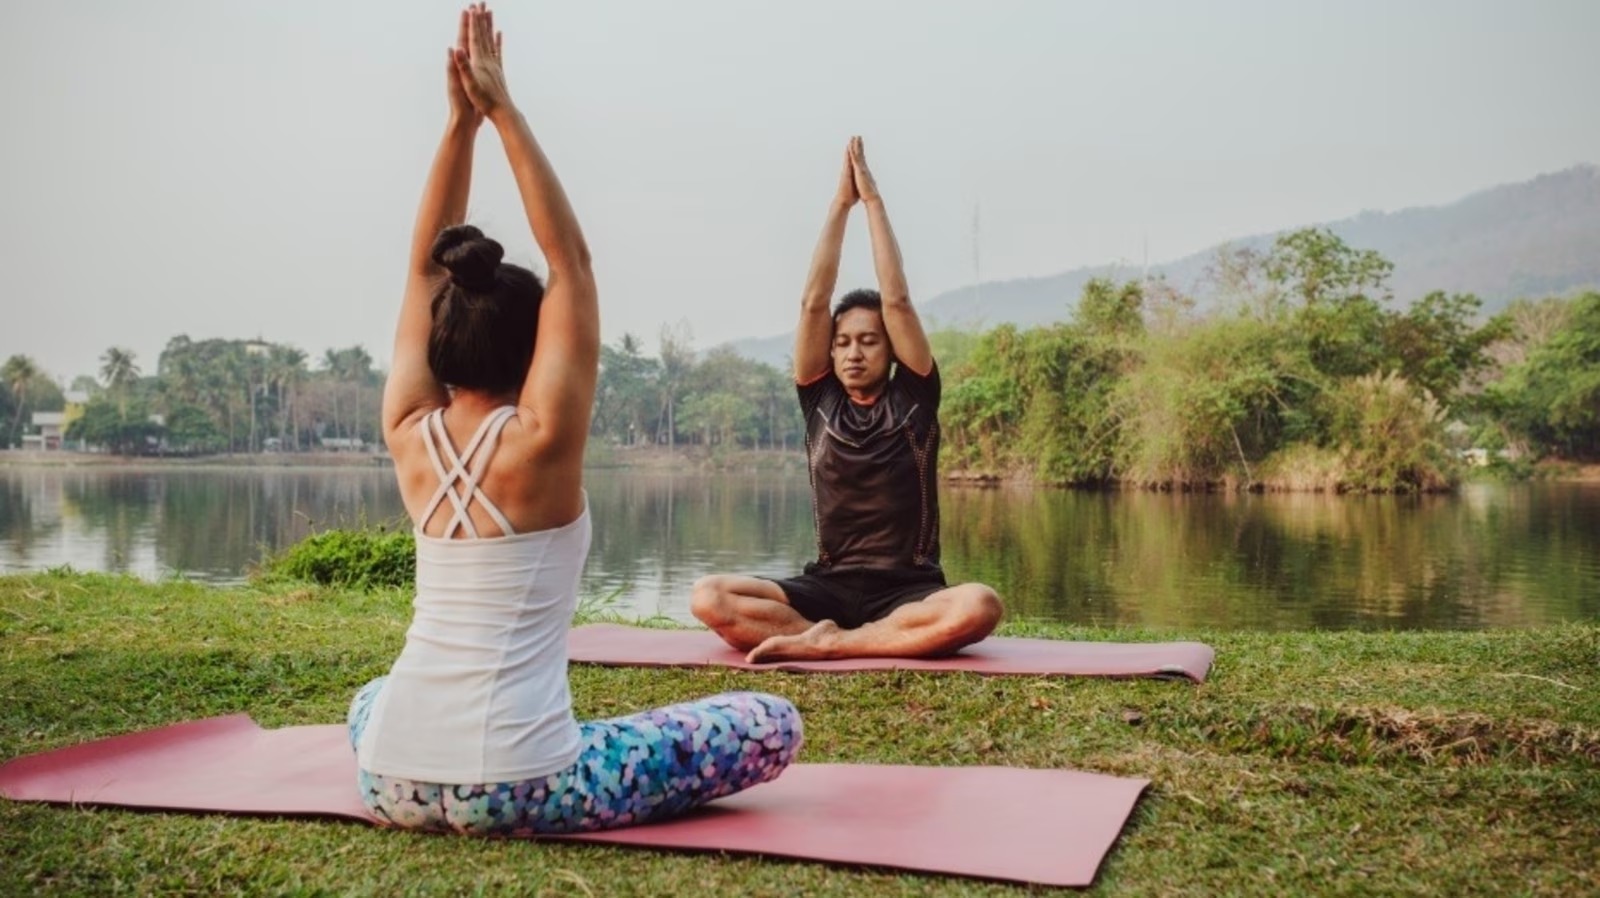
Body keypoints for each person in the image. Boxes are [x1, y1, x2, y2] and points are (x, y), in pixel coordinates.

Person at [348, 4, 800, 836]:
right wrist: (504, 111)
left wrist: (458, 125)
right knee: (772, 721)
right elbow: (571, 264)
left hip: (390, 780)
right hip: (519, 786)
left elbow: (421, 275)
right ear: (536, 353)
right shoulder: (541, 442)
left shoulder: (408, 428)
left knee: (373, 699)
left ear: (442, 348)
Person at [691, 138, 1004, 663]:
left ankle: (835, 644)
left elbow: (897, 299)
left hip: (909, 588)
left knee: (979, 606)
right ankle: (841, 636)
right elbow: (814, 301)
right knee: (710, 597)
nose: (853, 352)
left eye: (868, 339)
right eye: (842, 342)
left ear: (891, 349)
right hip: (828, 588)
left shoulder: (915, 396)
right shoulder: (818, 401)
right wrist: (840, 205)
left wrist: (874, 204)